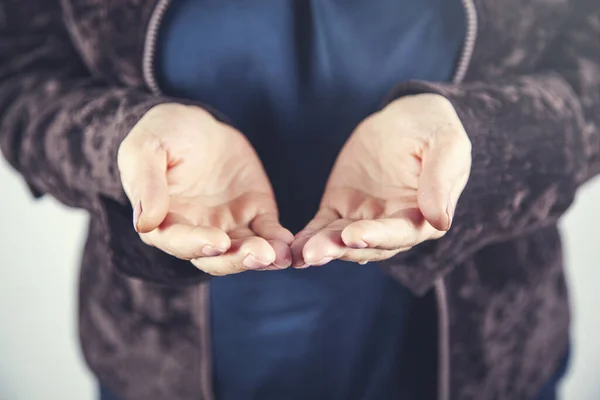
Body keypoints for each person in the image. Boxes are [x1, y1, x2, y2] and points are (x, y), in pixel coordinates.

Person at [0, 0, 598, 399]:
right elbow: (20, 75)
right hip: (164, 360)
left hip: (482, 354)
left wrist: (483, 138)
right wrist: (118, 140)